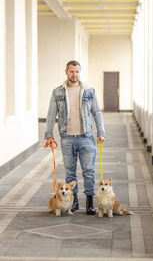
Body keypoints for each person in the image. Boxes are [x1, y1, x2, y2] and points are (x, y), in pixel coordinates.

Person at [44, 60, 105, 215]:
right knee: (70, 172)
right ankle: (74, 201)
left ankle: (90, 203)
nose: (74, 74)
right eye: (71, 71)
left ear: (80, 72)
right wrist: (49, 135)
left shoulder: (89, 91)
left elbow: (97, 112)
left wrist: (101, 132)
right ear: (66, 72)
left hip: (86, 137)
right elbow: (51, 115)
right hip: (67, 138)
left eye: (77, 71)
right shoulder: (57, 92)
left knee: (89, 171)